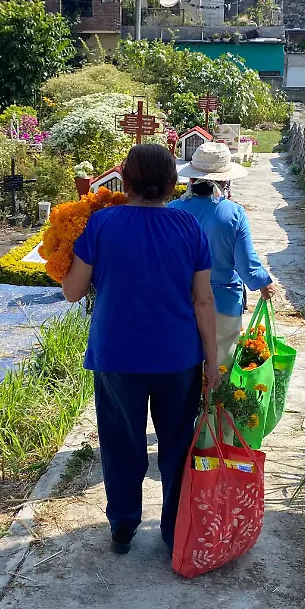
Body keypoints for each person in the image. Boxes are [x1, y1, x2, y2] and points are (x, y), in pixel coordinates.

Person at [61, 144, 222, 555]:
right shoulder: (189, 228)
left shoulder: (101, 225)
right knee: (176, 442)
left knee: (121, 441)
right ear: (173, 184)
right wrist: (213, 362)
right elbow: (203, 300)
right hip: (178, 357)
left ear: (125, 182)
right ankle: (173, 531)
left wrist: (65, 254)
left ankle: (123, 526)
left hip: (118, 355)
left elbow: (72, 292)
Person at [172, 142, 276, 367]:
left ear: (191, 179)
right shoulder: (234, 213)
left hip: (178, 302)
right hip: (222, 303)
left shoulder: (171, 211)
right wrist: (263, 283)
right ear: (225, 181)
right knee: (220, 367)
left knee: (182, 369)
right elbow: (245, 263)